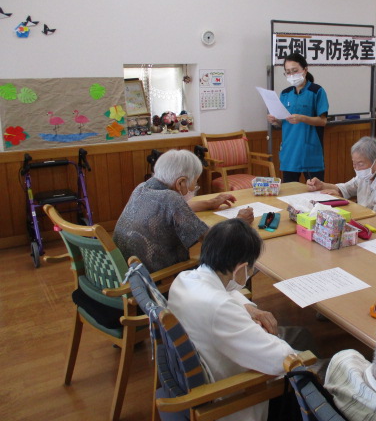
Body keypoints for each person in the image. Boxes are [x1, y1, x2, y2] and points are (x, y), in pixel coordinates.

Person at [168, 219, 310, 421]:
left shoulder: (185, 279)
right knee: (314, 366)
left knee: (301, 335)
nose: (252, 272)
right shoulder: (220, 308)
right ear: (242, 267)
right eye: (252, 268)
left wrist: (249, 308)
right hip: (233, 397)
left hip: (208, 364)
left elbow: (225, 291)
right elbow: (281, 360)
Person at [113, 149, 253, 272]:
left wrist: (209, 203)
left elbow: (166, 212)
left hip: (130, 271)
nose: (195, 187)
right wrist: (239, 221)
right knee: (231, 261)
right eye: (195, 182)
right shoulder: (171, 198)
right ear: (180, 182)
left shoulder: (142, 188)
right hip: (156, 279)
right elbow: (211, 239)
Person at [306, 136, 376, 216]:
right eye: (354, 163)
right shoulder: (369, 173)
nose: (356, 168)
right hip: (371, 219)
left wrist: (345, 203)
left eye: (360, 164)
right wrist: (322, 185)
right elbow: (347, 188)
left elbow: (373, 215)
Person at [267, 53, 329, 183]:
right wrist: (275, 121)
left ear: (305, 70)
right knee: (290, 195)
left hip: (311, 152)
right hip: (290, 153)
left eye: (295, 71)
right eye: (288, 72)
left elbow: (323, 121)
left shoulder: (316, 91)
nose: (291, 75)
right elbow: (282, 123)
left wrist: (302, 118)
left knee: (315, 194)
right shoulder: (285, 93)